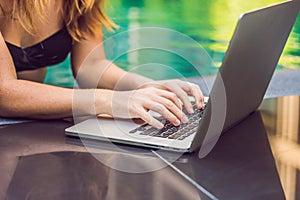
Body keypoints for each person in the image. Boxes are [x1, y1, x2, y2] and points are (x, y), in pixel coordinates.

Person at [0, 0, 204, 129]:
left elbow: (91, 65)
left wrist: (145, 87)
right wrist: (111, 101)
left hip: (25, 124)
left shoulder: (80, 2)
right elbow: (4, 93)